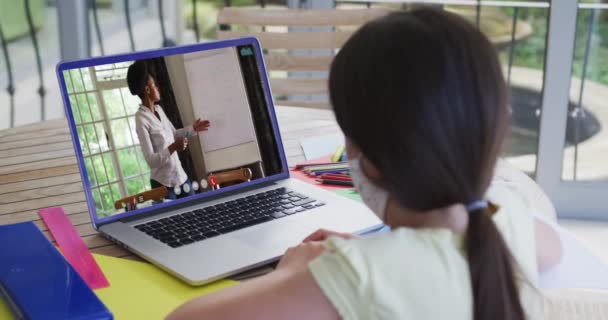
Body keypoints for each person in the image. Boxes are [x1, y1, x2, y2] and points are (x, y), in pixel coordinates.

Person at [167, 9, 562, 320]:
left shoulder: (356, 279)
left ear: (369, 163)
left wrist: (293, 275)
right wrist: (386, 255)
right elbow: (552, 250)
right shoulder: (506, 215)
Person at [128, 61, 211, 200]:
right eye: (154, 85)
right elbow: (151, 160)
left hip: (180, 177)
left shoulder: (159, 110)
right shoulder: (141, 119)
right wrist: (173, 147)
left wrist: (193, 128)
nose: (158, 88)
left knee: (197, 213)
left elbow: (173, 134)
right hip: (162, 185)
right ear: (147, 89)